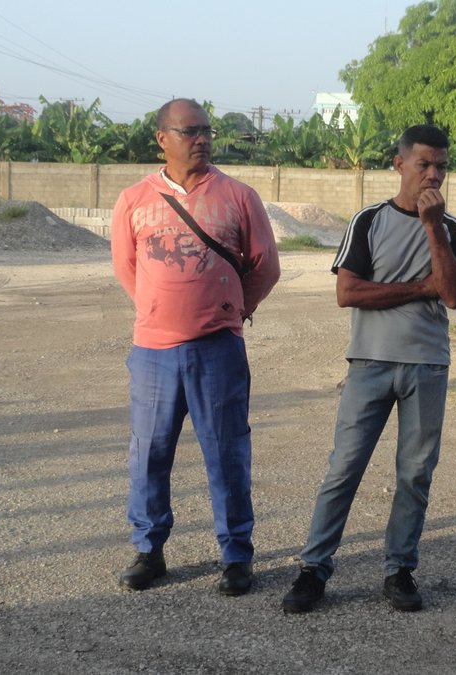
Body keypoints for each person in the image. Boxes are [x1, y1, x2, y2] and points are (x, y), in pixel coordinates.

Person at [281, 124, 456, 613]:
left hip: (428, 364)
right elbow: (349, 293)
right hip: (368, 362)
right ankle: (313, 569)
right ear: (400, 164)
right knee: (344, 468)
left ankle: (399, 571)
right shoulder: (367, 221)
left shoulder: (453, 231)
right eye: (424, 164)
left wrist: (433, 228)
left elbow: (454, 294)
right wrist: (419, 287)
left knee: (415, 473)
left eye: (441, 166)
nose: (434, 175)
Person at [110, 98, 280, 596]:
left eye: (207, 131)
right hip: (153, 353)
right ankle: (149, 551)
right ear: (162, 138)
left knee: (227, 453)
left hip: (218, 350)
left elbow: (265, 265)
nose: (202, 139)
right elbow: (127, 268)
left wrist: (232, 309)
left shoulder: (238, 196)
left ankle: (235, 557)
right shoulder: (134, 199)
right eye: (190, 131)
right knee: (148, 453)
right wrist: (163, 311)